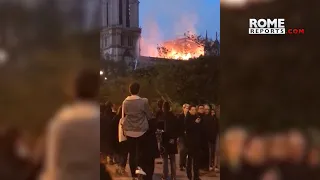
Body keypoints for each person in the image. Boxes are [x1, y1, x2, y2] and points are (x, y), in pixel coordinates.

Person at [40, 69, 100, 180]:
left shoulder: (60, 120)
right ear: (97, 90)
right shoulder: (98, 119)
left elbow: (51, 162)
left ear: (74, 90)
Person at [122, 82, 153, 177]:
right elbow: (149, 115)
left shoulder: (125, 102)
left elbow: (123, 116)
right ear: (139, 90)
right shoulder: (144, 101)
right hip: (142, 130)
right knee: (141, 153)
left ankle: (133, 174)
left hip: (129, 130)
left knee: (132, 153)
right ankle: (140, 172)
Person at [157, 101, 179, 180]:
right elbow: (177, 129)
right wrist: (173, 138)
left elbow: (159, 130)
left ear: (163, 108)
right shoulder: (174, 117)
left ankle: (165, 176)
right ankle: (174, 176)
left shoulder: (161, 117)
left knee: (165, 160)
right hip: (172, 141)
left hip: (164, 141)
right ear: (170, 108)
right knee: (173, 160)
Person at [185, 105, 203, 180]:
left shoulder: (196, 117)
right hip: (189, 142)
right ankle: (189, 175)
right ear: (189, 110)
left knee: (196, 160)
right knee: (189, 160)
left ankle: (196, 176)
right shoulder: (187, 118)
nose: (193, 111)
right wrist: (195, 123)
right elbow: (187, 128)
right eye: (192, 110)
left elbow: (199, 129)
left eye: (194, 110)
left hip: (197, 142)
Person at [177, 103, 189, 171]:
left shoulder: (189, 117)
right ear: (183, 108)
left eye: (188, 108)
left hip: (187, 136)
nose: (187, 109)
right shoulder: (180, 117)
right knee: (182, 149)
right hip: (181, 136)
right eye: (186, 108)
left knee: (186, 150)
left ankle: (184, 164)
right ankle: (181, 164)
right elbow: (178, 127)